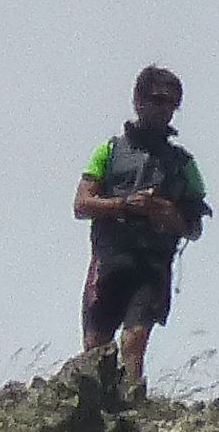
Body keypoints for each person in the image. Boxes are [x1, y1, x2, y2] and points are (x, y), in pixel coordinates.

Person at [75, 65, 210, 398]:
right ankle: (94, 408)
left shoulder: (184, 164)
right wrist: (124, 205)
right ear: (138, 101)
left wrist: (170, 216)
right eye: (158, 101)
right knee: (95, 345)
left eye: (171, 104)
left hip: (152, 265)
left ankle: (132, 406)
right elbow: (81, 204)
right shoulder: (108, 151)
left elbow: (195, 227)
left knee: (134, 340)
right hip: (109, 261)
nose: (165, 110)